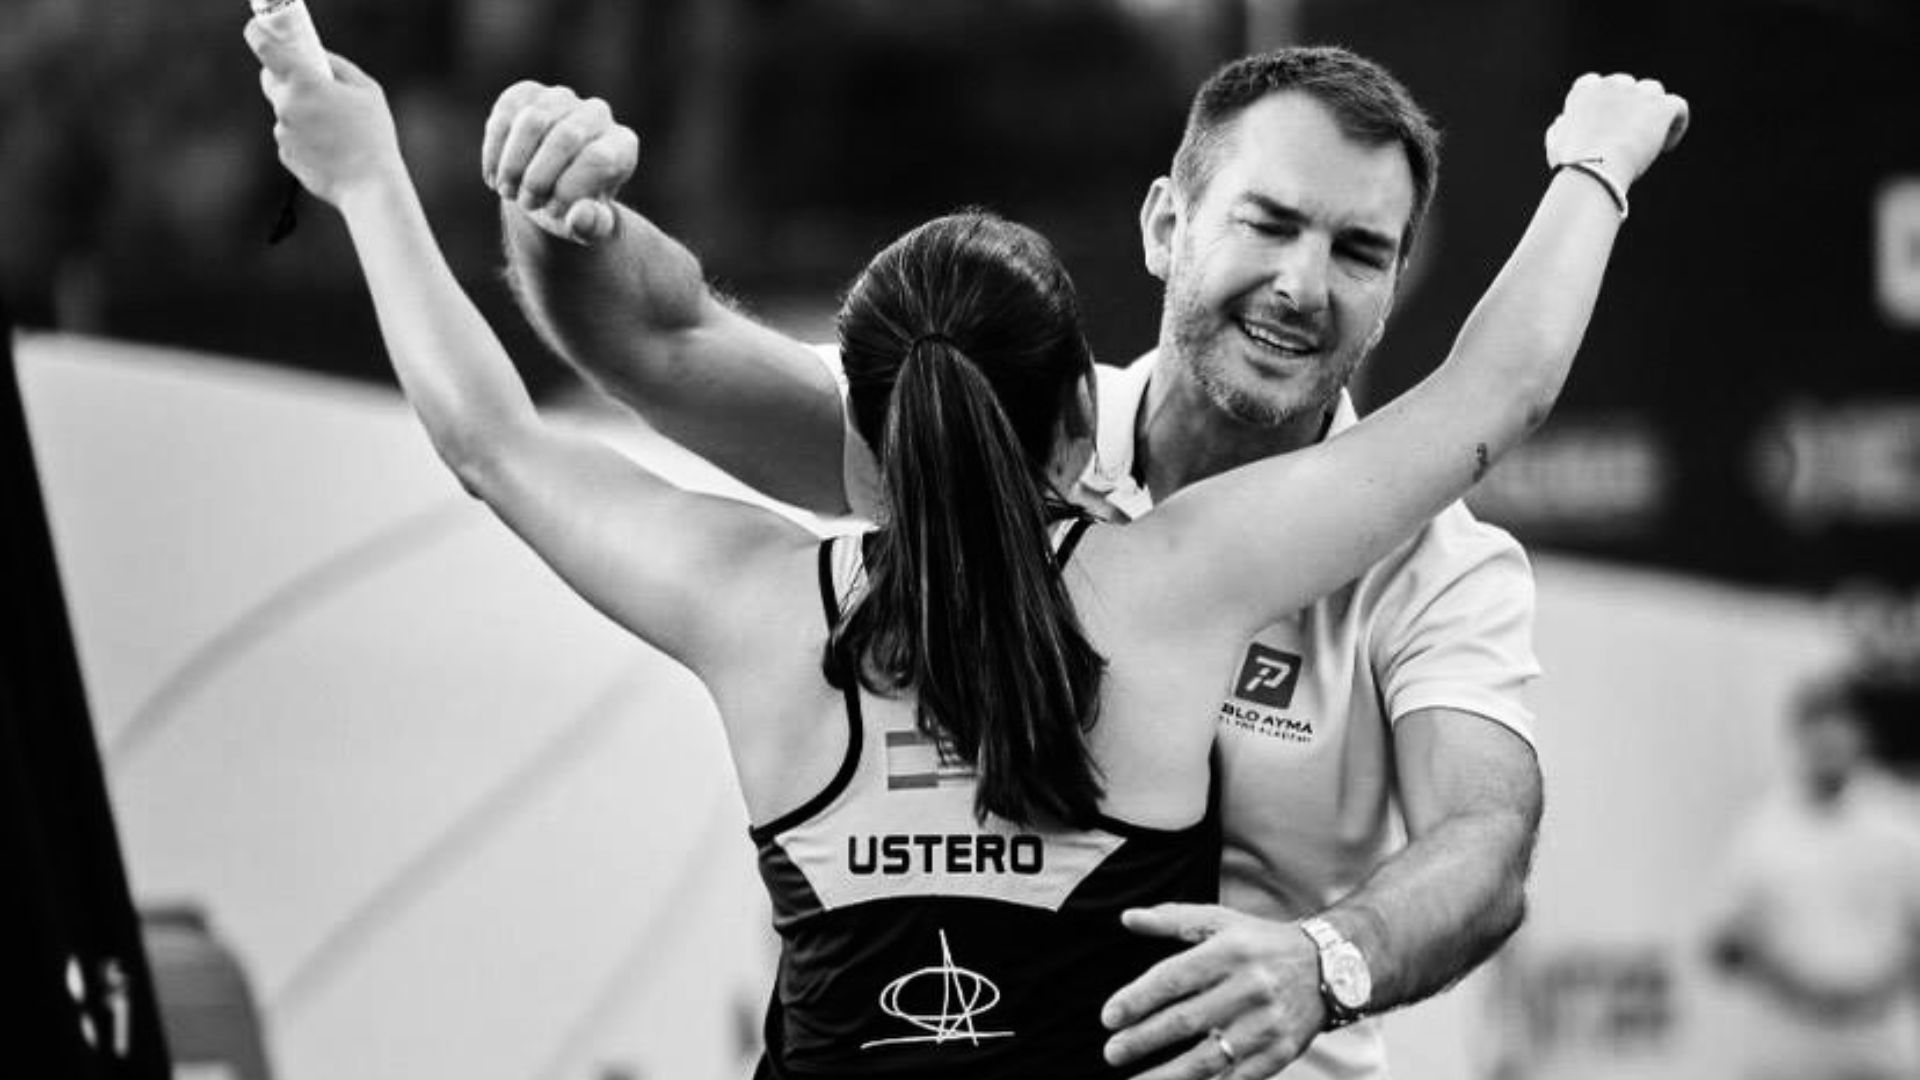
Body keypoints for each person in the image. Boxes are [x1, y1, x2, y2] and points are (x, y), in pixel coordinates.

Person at [248, 18, 1683, 1077]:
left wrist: (370, 179)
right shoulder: (1184, 578)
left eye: (1357, 250)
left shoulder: (760, 605)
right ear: (1079, 423)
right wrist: (1594, 170)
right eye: (1269, 223)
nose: (1304, 284)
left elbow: (491, 441)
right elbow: (1495, 396)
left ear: (864, 455)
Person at [1705, 670, 1920, 1080]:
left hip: (1878, 1047)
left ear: (1862, 737)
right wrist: (1797, 989)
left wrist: (1876, 990)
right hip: (1788, 1049)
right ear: (1798, 738)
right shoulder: (1760, 833)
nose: (1829, 744)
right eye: (1817, 730)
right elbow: (1726, 945)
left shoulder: (1900, 826)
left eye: (1840, 730)